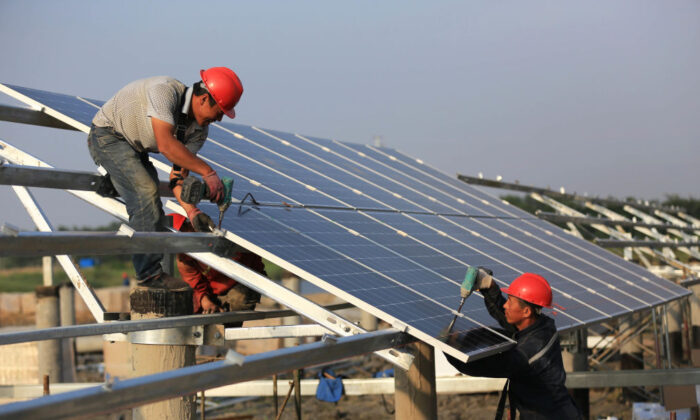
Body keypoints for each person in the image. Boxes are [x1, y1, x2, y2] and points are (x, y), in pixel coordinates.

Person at [87, 67, 243, 289]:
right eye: (219, 111)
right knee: (145, 192)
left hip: (134, 149)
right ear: (204, 99)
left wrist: (192, 211)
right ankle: (149, 276)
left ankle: (115, 181)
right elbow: (165, 144)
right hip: (108, 136)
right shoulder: (165, 92)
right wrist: (208, 172)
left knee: (150, 200)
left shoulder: (199, 131)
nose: (219, 119)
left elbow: (178, 176)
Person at [446, 270, 581, 420]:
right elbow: (508, 318)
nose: (506, 306)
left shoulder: (527, 354)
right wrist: (490, 288)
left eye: (510, 301)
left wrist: (448, 347)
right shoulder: (543, 327)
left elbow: (477, 366)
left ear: (526, 311)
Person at [169, 213, 264, 320]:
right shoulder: (184, 258)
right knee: (193, 311)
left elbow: (249, 262)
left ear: (191, 224)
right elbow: (194, 283)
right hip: (213, 290)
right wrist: (206, 302)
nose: (181, 236)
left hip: (242, 280)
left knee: (238, 302)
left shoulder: (218, 234)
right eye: (177, 234)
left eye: (183, 229)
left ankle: (228, 326)